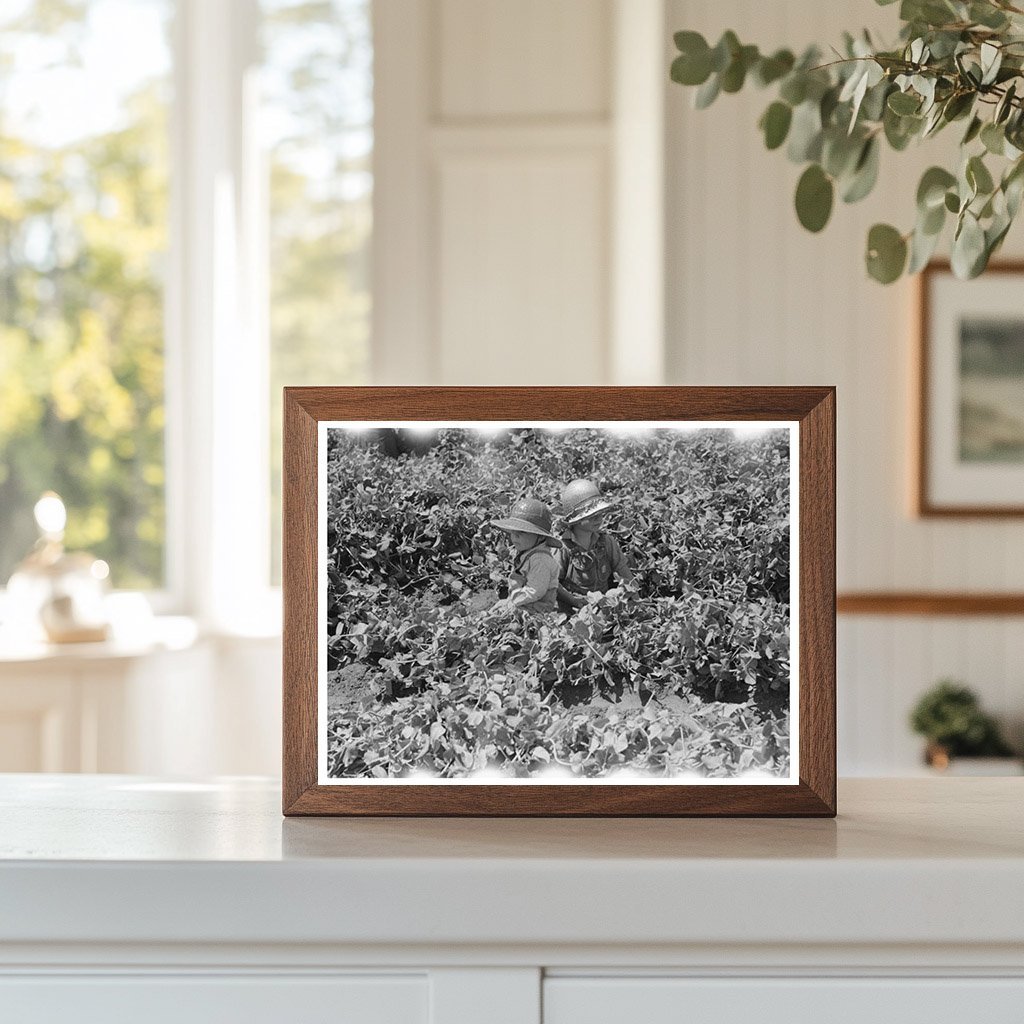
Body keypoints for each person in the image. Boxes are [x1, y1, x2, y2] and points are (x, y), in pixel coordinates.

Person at [556, 478, 634, 613]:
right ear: (577, 519)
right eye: (591, 515)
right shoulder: (563, 548)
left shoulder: (607, 542)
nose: (598, 519)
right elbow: (552, 583)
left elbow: (625, 574)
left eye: (600, 514)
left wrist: (637, 603)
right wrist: (573, 601)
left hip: (605, 609)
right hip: (573, 612)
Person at [489, 497, 560, 615]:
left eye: (522, 532)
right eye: (513, 532)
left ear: (540, 537)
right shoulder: (527, 552)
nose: (515, 537)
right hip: (524, 603)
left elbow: (535, 592)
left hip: (537, 609)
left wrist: (512, 603)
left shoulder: (540, 560)